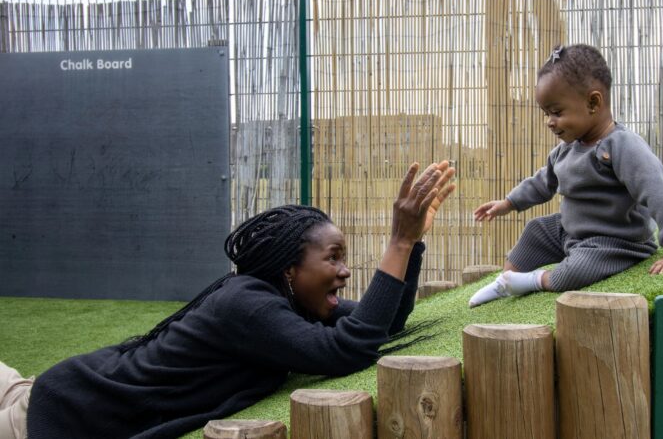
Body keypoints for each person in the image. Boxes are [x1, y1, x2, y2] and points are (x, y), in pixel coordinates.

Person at [0, 160, 456, 439]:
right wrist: (396, 242)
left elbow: (385, 324)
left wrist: (411, 244)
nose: (344, 271)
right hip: (60, 410)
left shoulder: (286, 303)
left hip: (55, 390)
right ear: (289, 270)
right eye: (333, 257)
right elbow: (344, 350)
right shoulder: (248, 305)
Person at [469, 44, 663, 308]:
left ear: (593, 103)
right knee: (536, 229)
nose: (549, 121)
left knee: (575, 272)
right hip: (571, 232)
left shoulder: (622, 146)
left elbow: (656, 190)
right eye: (546, 114)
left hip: (614, 241)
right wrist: (508, 203)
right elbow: (543, 182)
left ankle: (535, 280)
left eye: (557, 112)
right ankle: (506, 279)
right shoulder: (565, 151)